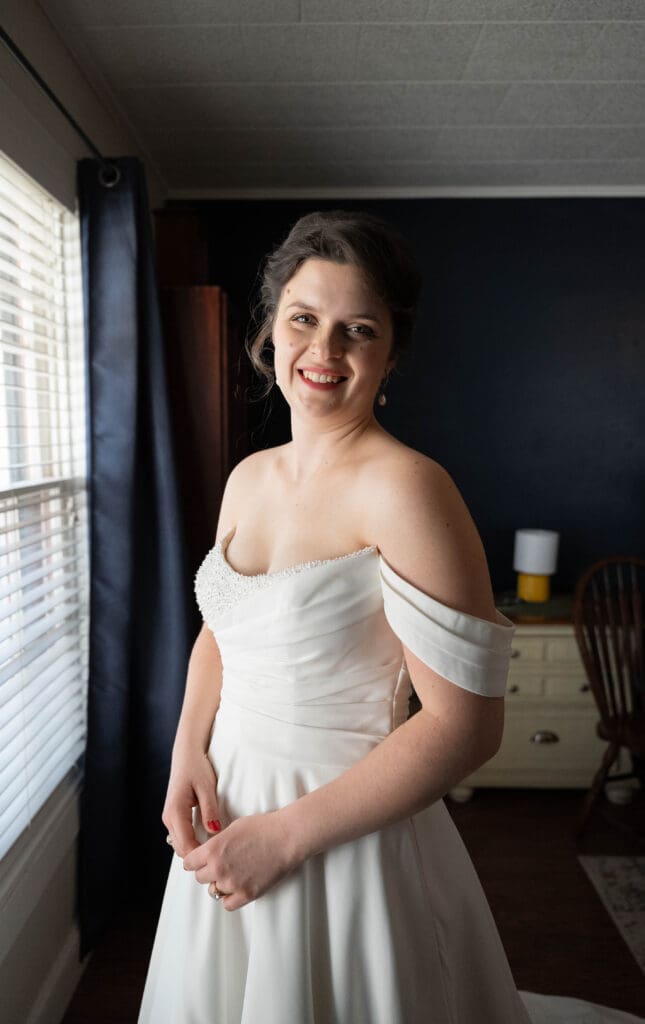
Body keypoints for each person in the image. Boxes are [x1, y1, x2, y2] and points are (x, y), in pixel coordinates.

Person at [138, 210, 643, 1024]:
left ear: (389, 353)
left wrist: (285, 837)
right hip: (228, 803)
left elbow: (464, 728)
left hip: (337, 824)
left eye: (357, 330)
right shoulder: (248, 478)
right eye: (304, 318)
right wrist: (187, 750)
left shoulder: (408, 489)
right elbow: (222, 630)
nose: (324, 350)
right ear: (271, 326)